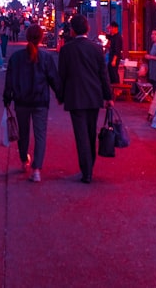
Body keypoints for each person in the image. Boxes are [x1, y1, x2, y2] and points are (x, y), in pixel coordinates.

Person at [56, 14, 113, 184]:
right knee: (90, 132)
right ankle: (90, 167)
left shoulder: (67, 49)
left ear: (72, 31)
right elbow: (103, 74)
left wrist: (60, 96)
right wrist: (108, 96)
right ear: (87, 28)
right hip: (93, 95)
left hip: (75, 96)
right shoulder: (96, 48)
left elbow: (62, 75)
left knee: (81, 135)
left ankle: (86, 170)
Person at [3, 23, 60, 183]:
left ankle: (23, 160)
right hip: (40, 101)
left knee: (23, 133)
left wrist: (7, 98)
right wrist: (60, 95)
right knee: (40, 134)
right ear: (41, 38)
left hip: (21, 100)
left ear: (27, 37)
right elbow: (54, 79)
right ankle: (36, 170)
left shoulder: (16, 58)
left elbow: (10, 81)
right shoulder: (46, 58)